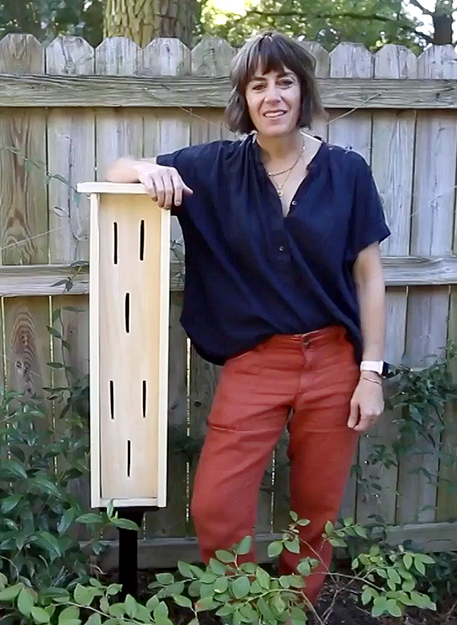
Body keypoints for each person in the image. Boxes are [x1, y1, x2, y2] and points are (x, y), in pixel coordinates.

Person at [105, 30, 390, 609]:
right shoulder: (214, 168)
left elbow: (369, 276)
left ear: (302, 90)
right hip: (257, 363)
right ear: (244, 98)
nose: (273, 95)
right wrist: (144, 170)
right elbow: (114, 170)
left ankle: (292, 610)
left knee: (316, 508)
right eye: (258, 85)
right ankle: (242, 607)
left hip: (335, 361)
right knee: (215, 502)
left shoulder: (347, 171)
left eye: (284, 81)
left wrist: (371, 374)